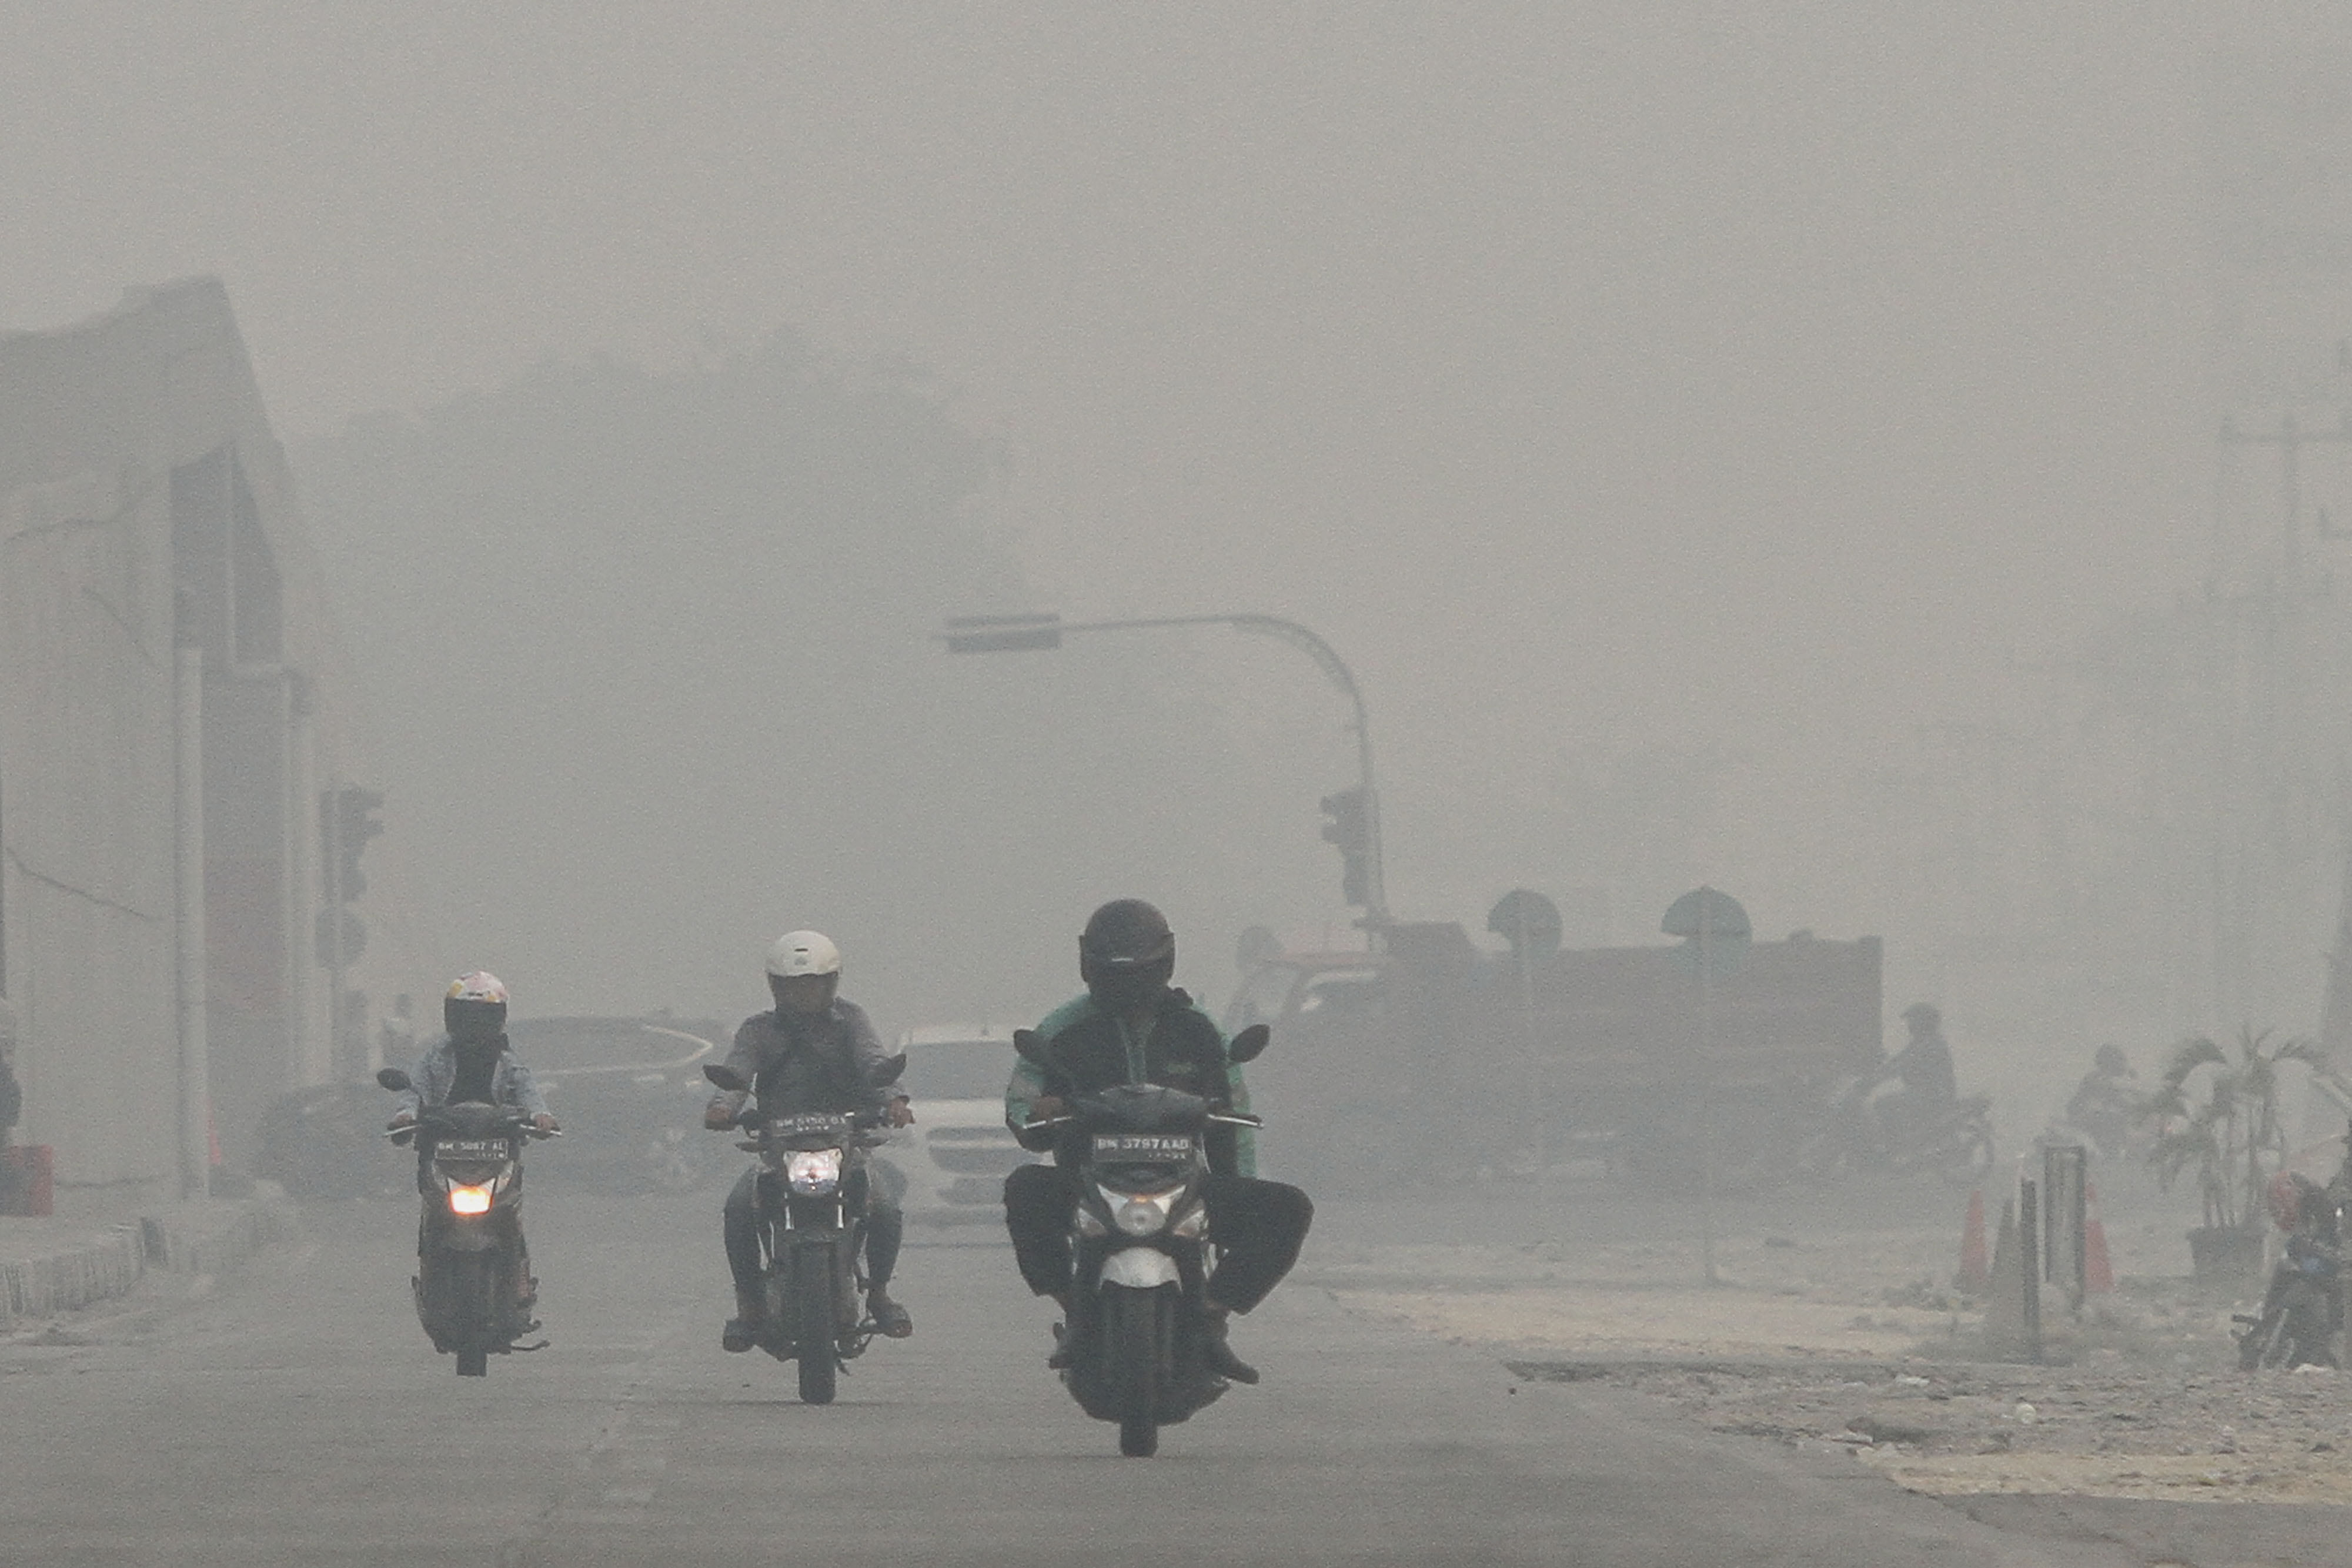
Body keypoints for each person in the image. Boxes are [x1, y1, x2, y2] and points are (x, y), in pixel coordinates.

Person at [1003, 898, 1314, 1384]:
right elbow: (1021, 1101)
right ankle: (1074, 1309)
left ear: (1164, 965)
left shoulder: (1200, 1029)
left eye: (1138, 974)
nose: (1126, 987)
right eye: (1113, 975)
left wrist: (1238, 1183)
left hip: (1183, 1183)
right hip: (1088, 1180)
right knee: (1025, 1187)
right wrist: (1036, 1114)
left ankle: (1212, 1315)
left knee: (1288, 1207)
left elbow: (1233, 1110)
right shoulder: (1060, 1030)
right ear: (1089, 967)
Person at [705, 930, 915, 1352]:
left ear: (832, 982)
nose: (805, 992)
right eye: (794, 984)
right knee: (738, 1209)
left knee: (887, 1208)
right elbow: (738, 1071)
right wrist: (723, 1106)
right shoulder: (757, 1029)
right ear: (775, 986)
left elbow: (874, 1062)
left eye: (814, 983)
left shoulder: (852, 1021)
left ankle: (878, 1293)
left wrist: (893, 1100)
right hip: (778, 1147)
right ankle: (749, 1304)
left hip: (846, 1143)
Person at [386, 972, 556, 1309]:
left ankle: (519, 1276)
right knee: (434, 1213)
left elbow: (528, 1090)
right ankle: (430, 1271)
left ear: (499, 1019)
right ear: (452, 1017)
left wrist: (540, 1116)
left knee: (510, 1213)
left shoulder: (509, 1061)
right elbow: (414, 1090)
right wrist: (406, 1116)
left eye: (484, 1017)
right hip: (443, 1150)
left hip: (497, 1150)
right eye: (467, 1017)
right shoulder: (435, 1057)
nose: (475, 1026)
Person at [1869, 1001, 1959, 1149]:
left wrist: (1876, 1080)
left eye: (1914, 1020)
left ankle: (1899, 1147)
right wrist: (1878, 1070)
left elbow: (1905, 1065)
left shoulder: (1931, 1044)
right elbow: (1900, 1058)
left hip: (1934, 1094)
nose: (1910, 1025)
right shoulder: (1921, 1041)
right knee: (1890, 1102)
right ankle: (1901, 1142)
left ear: (1925, 1022)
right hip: (1925, 1092)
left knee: (1883, 1103)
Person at [2064, 1044, 2137, 1158]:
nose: (2123, 1064)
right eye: (2119, 1061)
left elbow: (2121, 1100)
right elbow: (2112, 1099)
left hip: (2102, 1121)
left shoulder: (2114, 1080)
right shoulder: (2096, 1079)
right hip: (2093, 1122)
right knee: (2111, 1122)